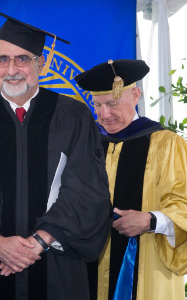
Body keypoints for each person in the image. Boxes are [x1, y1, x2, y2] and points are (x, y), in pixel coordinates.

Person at [0, 7, 112, 300]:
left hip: (55, 264)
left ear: (41, 64)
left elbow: (87, 189)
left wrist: (38, 242)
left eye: (23, 59)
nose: (12, 69)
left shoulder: (73, 115)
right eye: (3, 59)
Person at [75, 59, 187, 300]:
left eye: (112, 104)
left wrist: (150, 221)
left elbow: (183, 203)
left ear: (135, 95)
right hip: (88, 264)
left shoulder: (166, 143)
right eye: (97, 105)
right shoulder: (86, 143)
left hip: (146, 261)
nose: (104, 115)